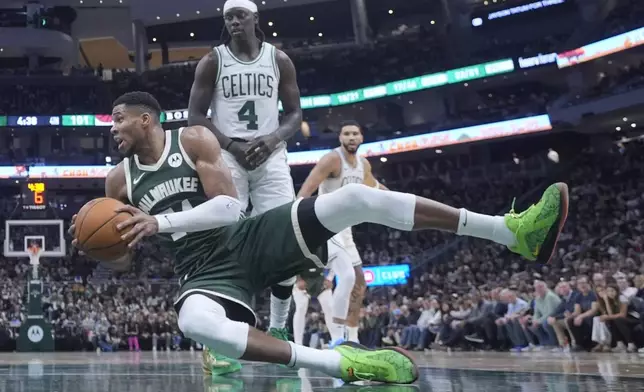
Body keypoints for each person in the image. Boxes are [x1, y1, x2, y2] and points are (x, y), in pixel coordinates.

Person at [72, 91, 569, 384]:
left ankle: (512, 231)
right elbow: (124, 262)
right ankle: (342, 361)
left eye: (117, 119)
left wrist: (159, 222)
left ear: (146, 119)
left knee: (353, 198)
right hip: (202, 272)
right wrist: (102, 246)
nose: (111, 128)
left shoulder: (192, 139)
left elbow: (227, 208)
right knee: (192, 320)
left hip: (245, 237)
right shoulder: (118, 182)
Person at [186, 0, 303, 369]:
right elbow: (195, 116)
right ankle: (221, 339)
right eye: (228, 18)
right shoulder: (213, 61)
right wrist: (232, 145)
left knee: (285, 240)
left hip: (271, 157)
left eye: (240, 16)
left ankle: (279, 328)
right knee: (226, 246)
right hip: (227, 157)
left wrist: (272, 140)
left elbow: (296, 114)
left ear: (255, 18)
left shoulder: (279, 60)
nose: (234, 22)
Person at [297, 121, 384, 345]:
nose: (351, 137)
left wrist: (403, 201)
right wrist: (296, 218)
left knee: (359, 283)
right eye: (346, 134)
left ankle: (352, 338)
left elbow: (376, 187)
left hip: (346, 229)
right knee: (346, 278)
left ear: (362, 138)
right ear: (340, 138)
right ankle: (338, 338)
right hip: (327, 224)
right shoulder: (332, 159)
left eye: (355, 133)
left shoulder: (363, 165)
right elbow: (307, 189)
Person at [292, 268, 334, 347]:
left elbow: (335, 259)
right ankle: (298, 344)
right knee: (301, 308)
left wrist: (329, 278)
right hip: (302, 278)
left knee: (329, 307)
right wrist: (297, 279)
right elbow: (291, 261)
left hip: (320, 279)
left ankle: (336, 339)